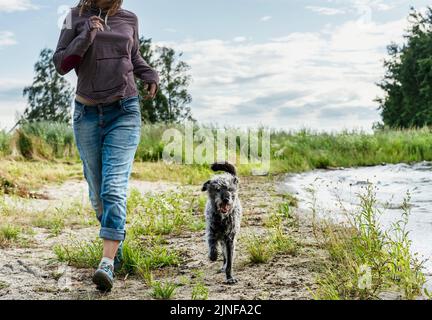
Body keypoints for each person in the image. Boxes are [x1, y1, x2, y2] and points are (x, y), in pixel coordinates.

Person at [53, 0, 159, 292]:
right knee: (99, 195)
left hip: (125, 110)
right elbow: (60, 63)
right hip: (86, 114)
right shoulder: (72, 17)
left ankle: (106, 263)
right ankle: (117, 248)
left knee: (113, 187)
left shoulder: (129, 18)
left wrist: (149, 73)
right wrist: (84, 35)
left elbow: (133, 56)